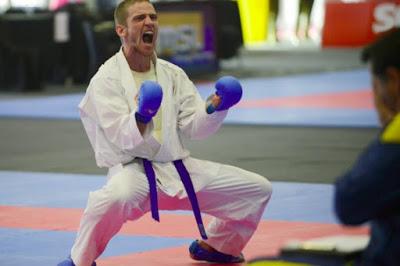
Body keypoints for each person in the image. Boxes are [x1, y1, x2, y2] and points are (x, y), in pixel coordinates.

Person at [58, 0, 272, 265]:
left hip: (177, 168)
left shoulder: (172, 74)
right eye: (139, 18)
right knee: (113, 198)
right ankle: (80, 259)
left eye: (153, 17)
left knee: (257, 189)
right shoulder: (106, 80)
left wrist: (216, 106)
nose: (149, 22)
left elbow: (194, 126)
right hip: (134, 172)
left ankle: (219, 245)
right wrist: (142, 116)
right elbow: (119, 135)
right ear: (121, 30)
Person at [334, 28, 400, 266]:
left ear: (393, 80)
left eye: (375, 86)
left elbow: (349, 205)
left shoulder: (396, 136)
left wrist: (388, 127)